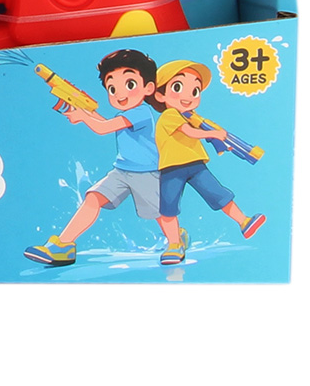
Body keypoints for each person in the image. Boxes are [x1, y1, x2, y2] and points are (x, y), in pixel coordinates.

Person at [25, 48, 167, 266]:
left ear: (148, 88)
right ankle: (63, 245)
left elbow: (104, 128)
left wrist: (84, 116)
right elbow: (105, 123)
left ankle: (176, 238)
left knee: (160, 214)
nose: (119, 94)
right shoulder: (124, 114)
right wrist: (84, 112)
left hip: (146, 172)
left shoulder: (141, 113)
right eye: (112, 88)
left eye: (130, 84)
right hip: (121, 170)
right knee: (93, 198)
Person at [151, 60, 265, 265]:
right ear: (160, 95)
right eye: (178, 87)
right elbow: (189, 132)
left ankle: (244, 221)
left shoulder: (193, 117)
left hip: (195, 164)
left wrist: (221, 141)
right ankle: (174, 244)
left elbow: (197, 129)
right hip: (172, 168)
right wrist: (213, 134)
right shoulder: (170, 115)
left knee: (218, 193)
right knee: (168, 207)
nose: (188, 96)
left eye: (195, 90)